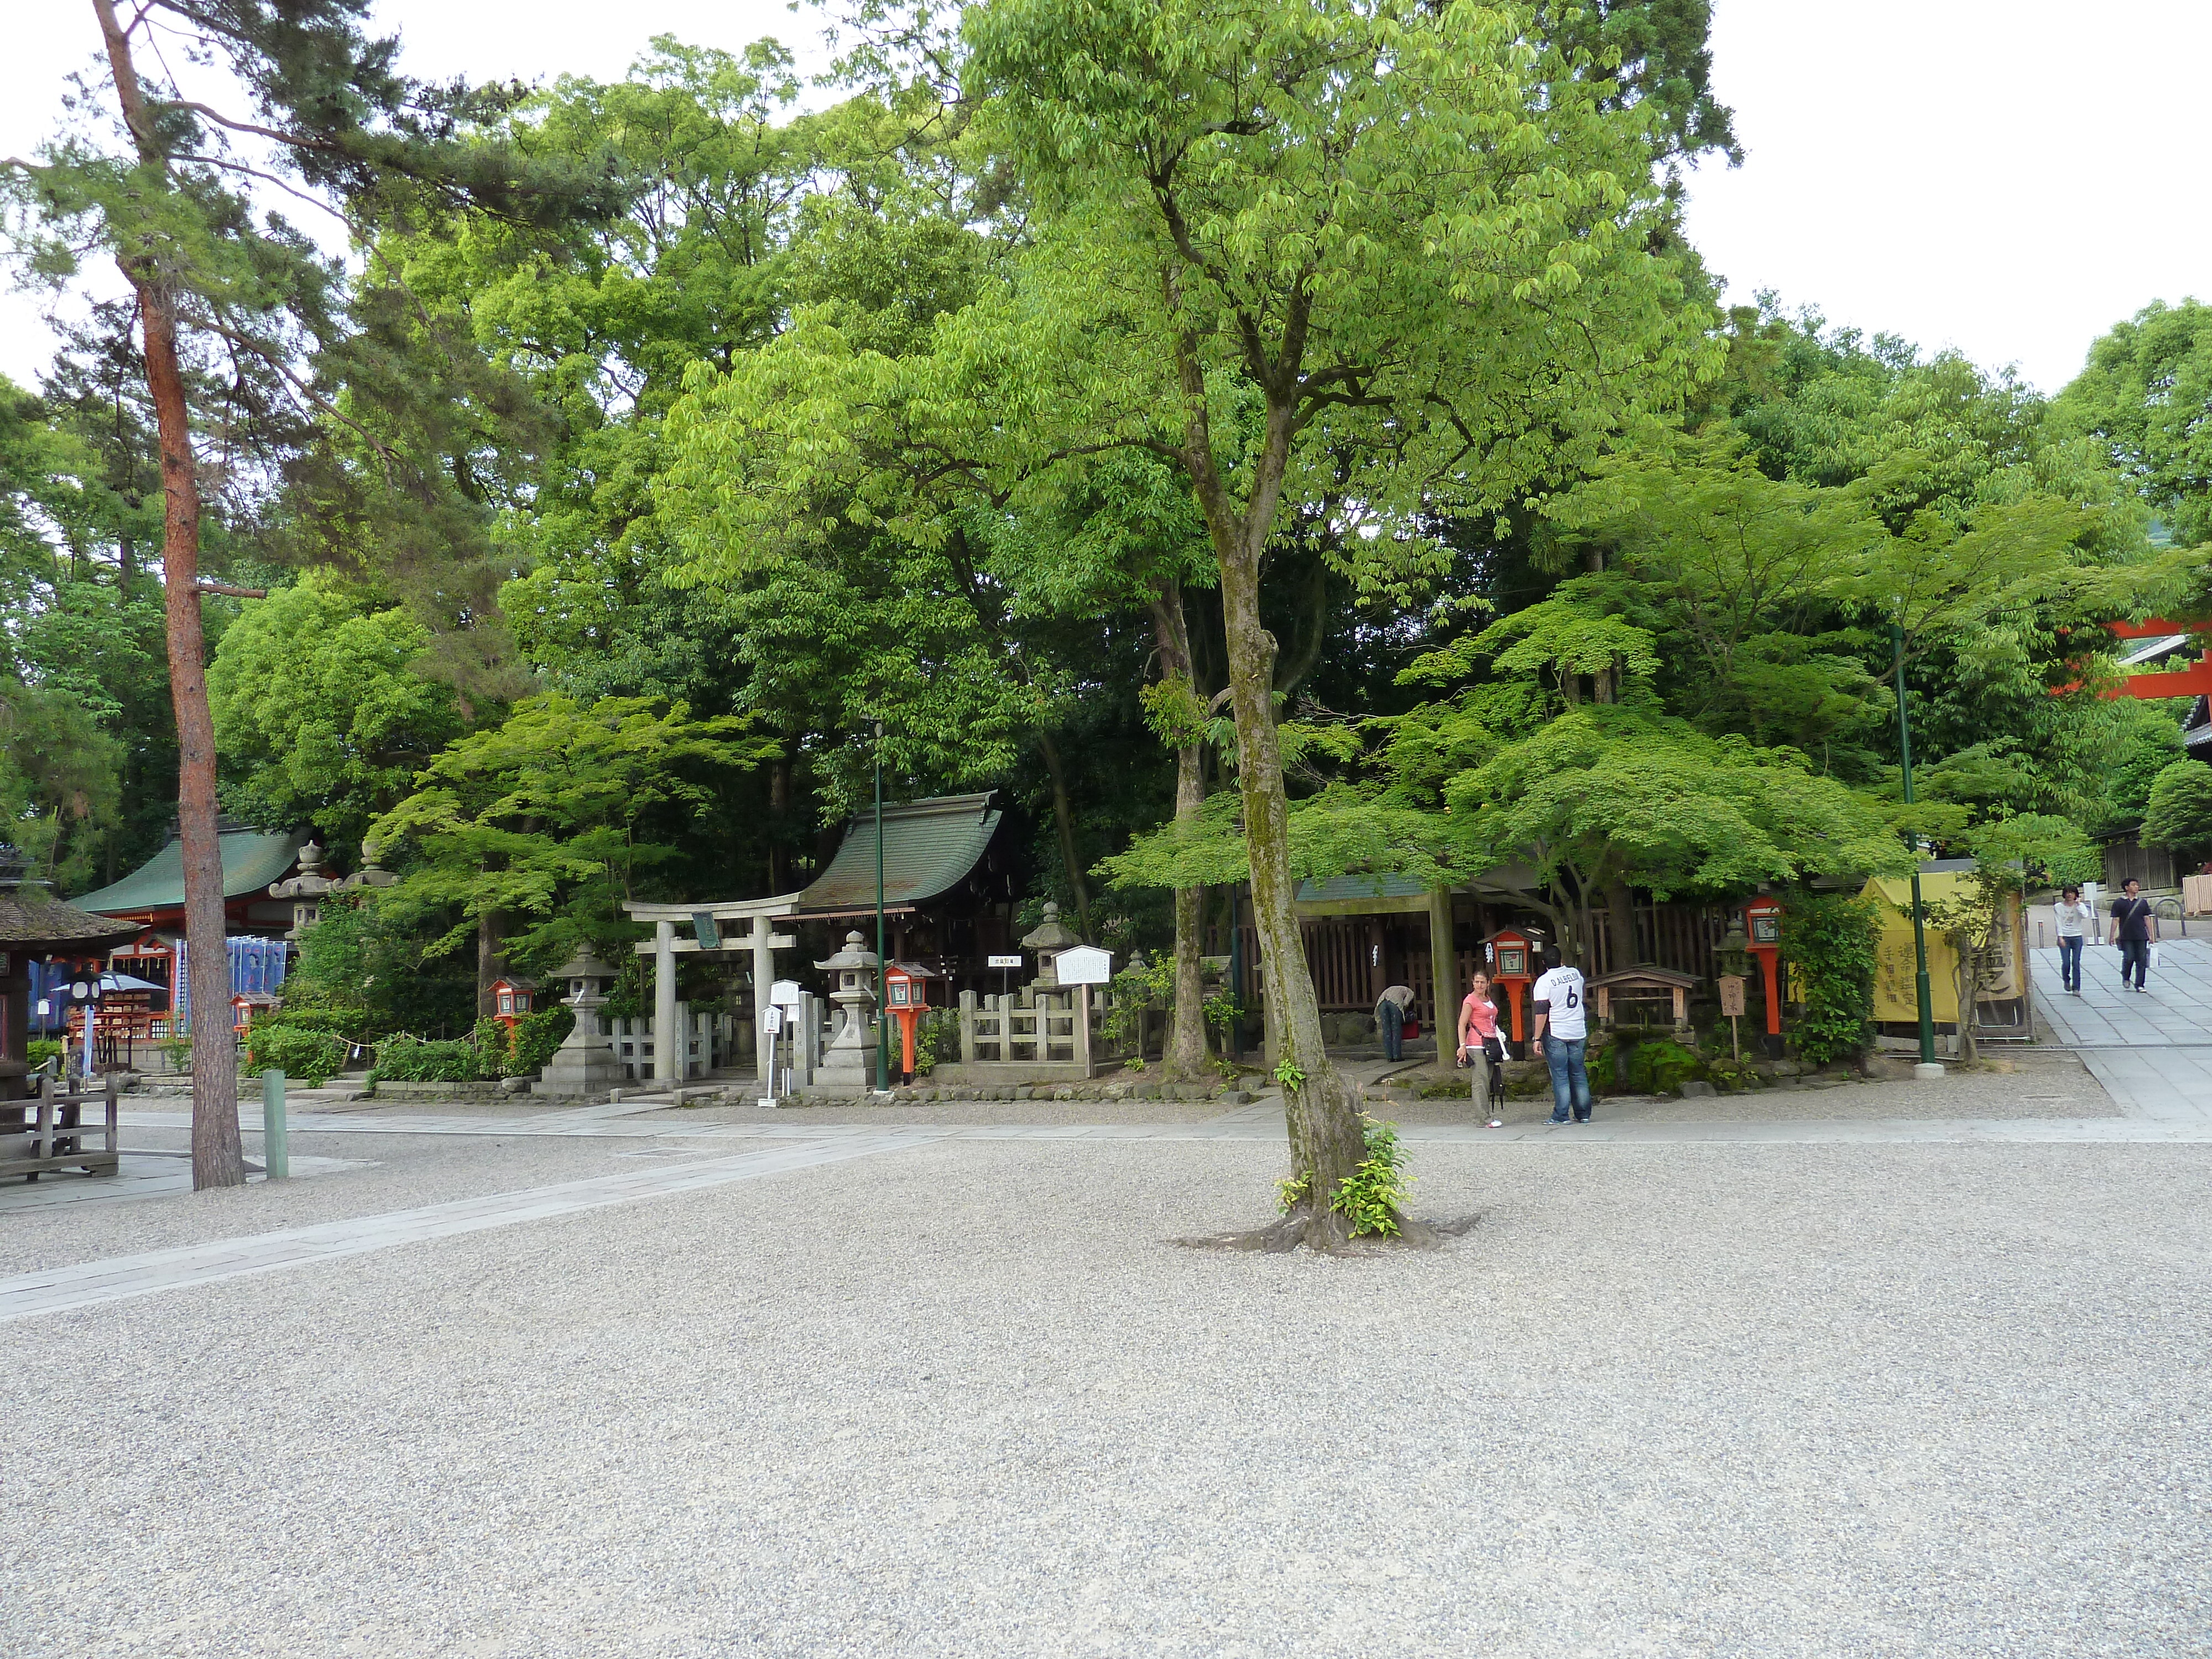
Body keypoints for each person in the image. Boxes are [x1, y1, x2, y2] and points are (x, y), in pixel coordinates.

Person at [1530, 945, 1592, 1124]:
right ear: (1561, 960)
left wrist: (1537, 1037)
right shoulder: (1575, 974)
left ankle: (1561, 1115)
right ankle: (1583, 1113)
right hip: (1578, 1029)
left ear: (1544, 963)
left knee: (1560, 1074)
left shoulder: (1544, 982)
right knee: (1579, 1072)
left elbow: (1542, 1012)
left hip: (1557, 1031)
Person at [1457, 970, 1507, 1129]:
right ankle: (1483, 1119)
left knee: (1489, 1078)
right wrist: (1462, 1045)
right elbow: (1462, 1024)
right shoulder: (1470, 1000)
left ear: (1488, 984)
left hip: (1490, 1042)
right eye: (1477, 982)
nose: (1479, 985)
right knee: (1480, 1081)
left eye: (1482, 982)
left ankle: (1486, 1116)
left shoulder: (1488, 999)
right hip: (1476, 1043)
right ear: (1473, 983)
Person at [2107, 878, 2158, 992]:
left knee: (2142, 960)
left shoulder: (2142, 903)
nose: (2137, 887)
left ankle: (2140, 984)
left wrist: (2152, 935)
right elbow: (2116, 920)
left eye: (2137, 885)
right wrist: (2112, 936)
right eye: (2134, 885)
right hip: (2126, 936)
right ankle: (2126, 976)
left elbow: (2147, 919)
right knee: (2129, 957)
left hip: (2141, 935)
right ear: (2127, 888)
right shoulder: (2119, 903)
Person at [2053, 884, 2094, 995]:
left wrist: (2079, 904)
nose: (2070, 895)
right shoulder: (2058, 907)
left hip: (2077, 936)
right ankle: (2066, 980)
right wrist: (2060, 937)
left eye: (2072, 892)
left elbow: (2085, 915)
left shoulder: (2080, 906)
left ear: (2076, 894)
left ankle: (2077, 988)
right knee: (2066, 962)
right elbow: (2058, 922)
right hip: (2065, 936)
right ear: (2064, 894)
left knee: (2076, 962)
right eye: (2067, 892)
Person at [1375, 983, 1415, 1062]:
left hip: (1382, 1003)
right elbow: (1406, 1003)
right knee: (1396, 1029)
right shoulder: (1410, 992)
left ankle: (1389, 1056)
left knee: (1386, 1030)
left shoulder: (1391, 988)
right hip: (1395, 1003)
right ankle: (1397, 1056)